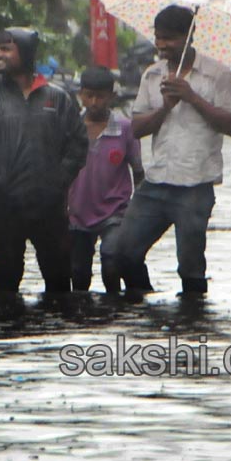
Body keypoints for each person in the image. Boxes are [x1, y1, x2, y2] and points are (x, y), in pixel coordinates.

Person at [115, 5, 231, 297]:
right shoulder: (152, 76)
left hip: (196, 184)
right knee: (124, 253)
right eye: (158, 38)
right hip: (156, 182)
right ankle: (145, 311)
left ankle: (192, 323)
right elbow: (137, 128)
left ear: (189, 36)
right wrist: (166, 107)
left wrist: (191, 96)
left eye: (169, 38)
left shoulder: (217, 75)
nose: (161, 45)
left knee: (190, 266)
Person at [0, 28, 87, 299]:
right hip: (4, 207)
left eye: (6, 49)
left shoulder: (57, 99)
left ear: (25, 53)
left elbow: (78, 144)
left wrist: (58, 180)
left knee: (59, 278)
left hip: (50, 206)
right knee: (6, 279)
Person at [68, 66, 149, 295]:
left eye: (101, 96)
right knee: (78, 272)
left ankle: (113, 309)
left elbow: (138, 171)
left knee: (112, 262)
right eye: (88, 96)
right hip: (76, 212)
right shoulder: (70, 127)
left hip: (115, 211)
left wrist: (136, 211)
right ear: (80, 95)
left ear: (111, 96)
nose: (94, 102)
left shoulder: (124, 128)